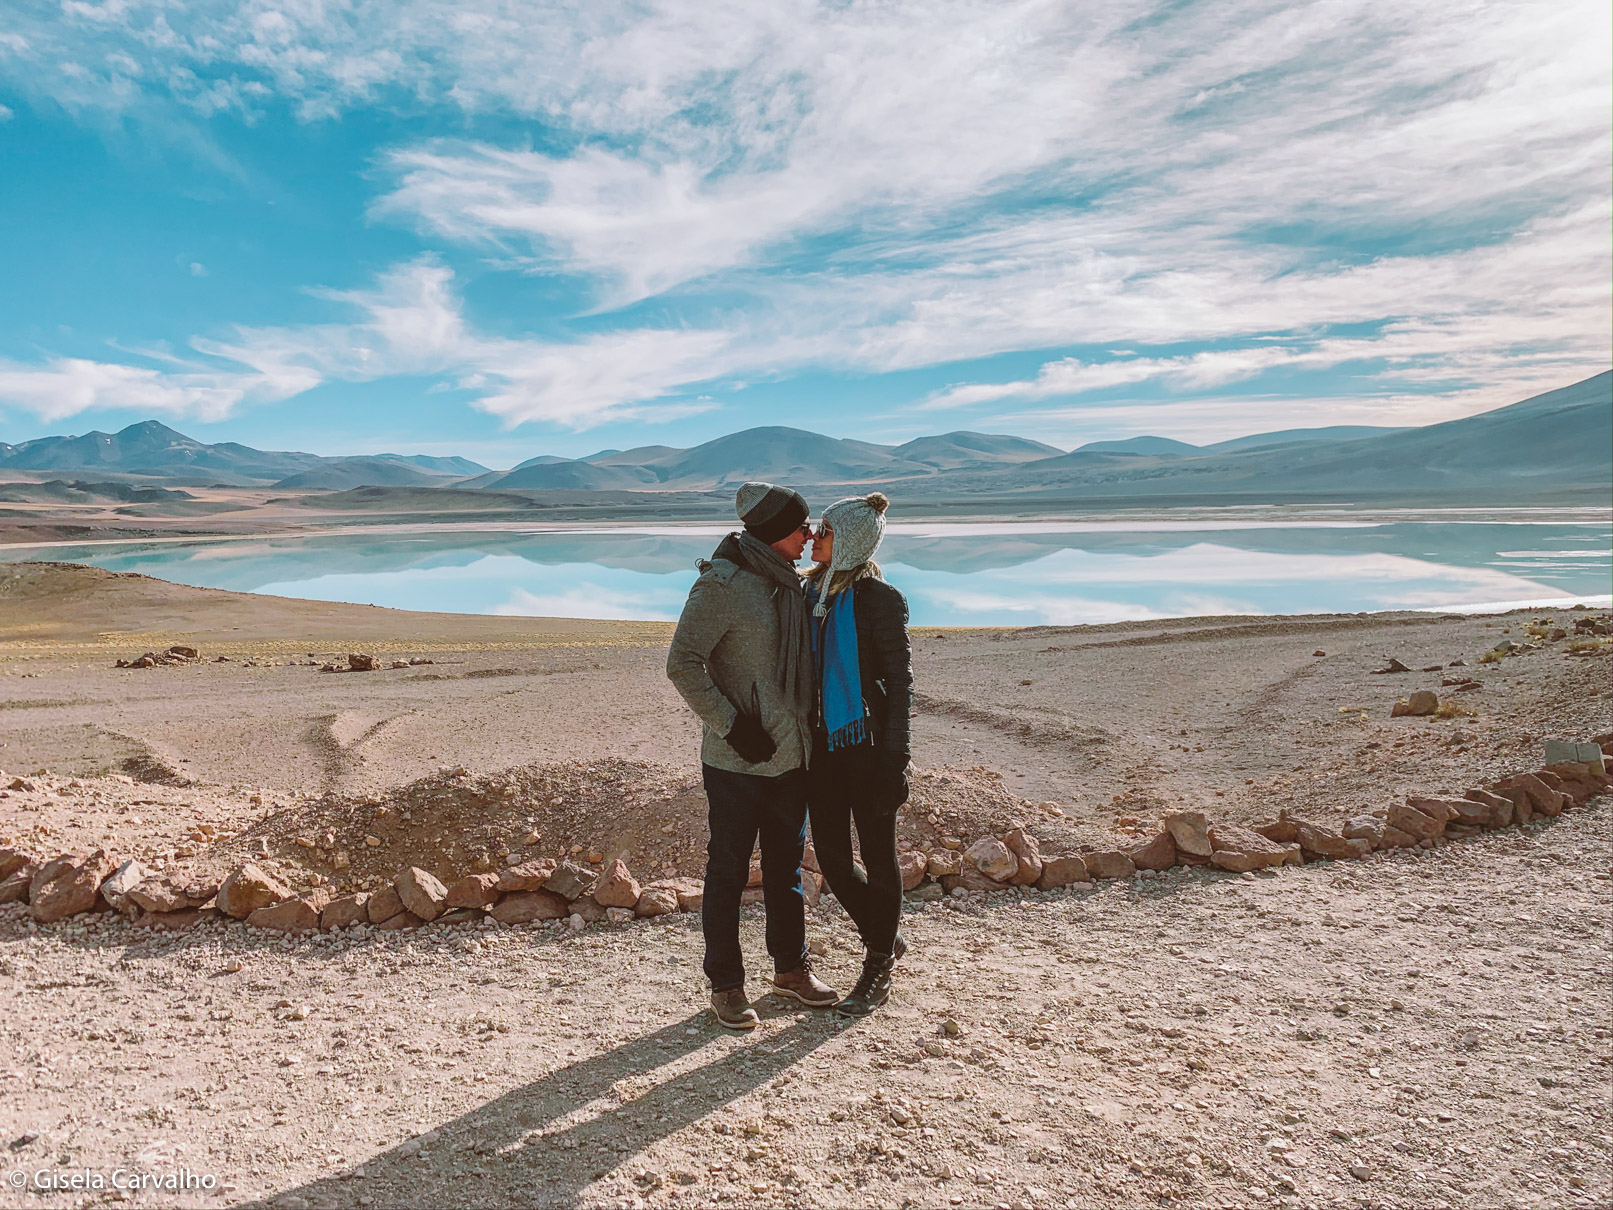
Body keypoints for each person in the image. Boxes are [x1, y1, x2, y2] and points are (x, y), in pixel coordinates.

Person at [666, 481, 840, 1029]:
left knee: (786, 869)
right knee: (728, 872)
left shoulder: (793, 585)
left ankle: (790, 970)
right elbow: (682, 663)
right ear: (770, 533)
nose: (809, 534)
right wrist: (732, 727)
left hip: (792, 758)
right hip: (736, 762)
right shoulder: (722, 586)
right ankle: (726, 984)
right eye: (799, 526)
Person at [803, 491, 913, 1016]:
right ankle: (884, 936)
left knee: (878, 858)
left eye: (823, 531)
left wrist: (896, 761)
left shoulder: (879, 599)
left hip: (867, 750)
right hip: (821, 752)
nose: (813, 537)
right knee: (832, 860)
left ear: (847, 540)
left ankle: (876, 969)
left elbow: (900, 684)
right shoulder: (809, 594)